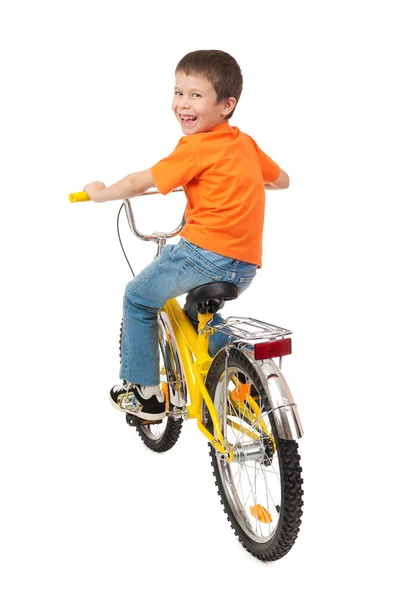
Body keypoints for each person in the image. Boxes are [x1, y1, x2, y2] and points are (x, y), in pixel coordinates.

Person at [83, 49, 289, 421]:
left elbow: (136, 182)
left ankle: (144, 394)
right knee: (199, 315)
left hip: (202, 256)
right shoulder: (244, 143)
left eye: (196, 95)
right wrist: (240, 181)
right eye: (178, 93)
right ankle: (245, 381)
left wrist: (99, 193)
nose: (182, 103)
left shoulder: (194, 148)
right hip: (244, 266)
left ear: (227, 105)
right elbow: (281, 180)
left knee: (138, 299)